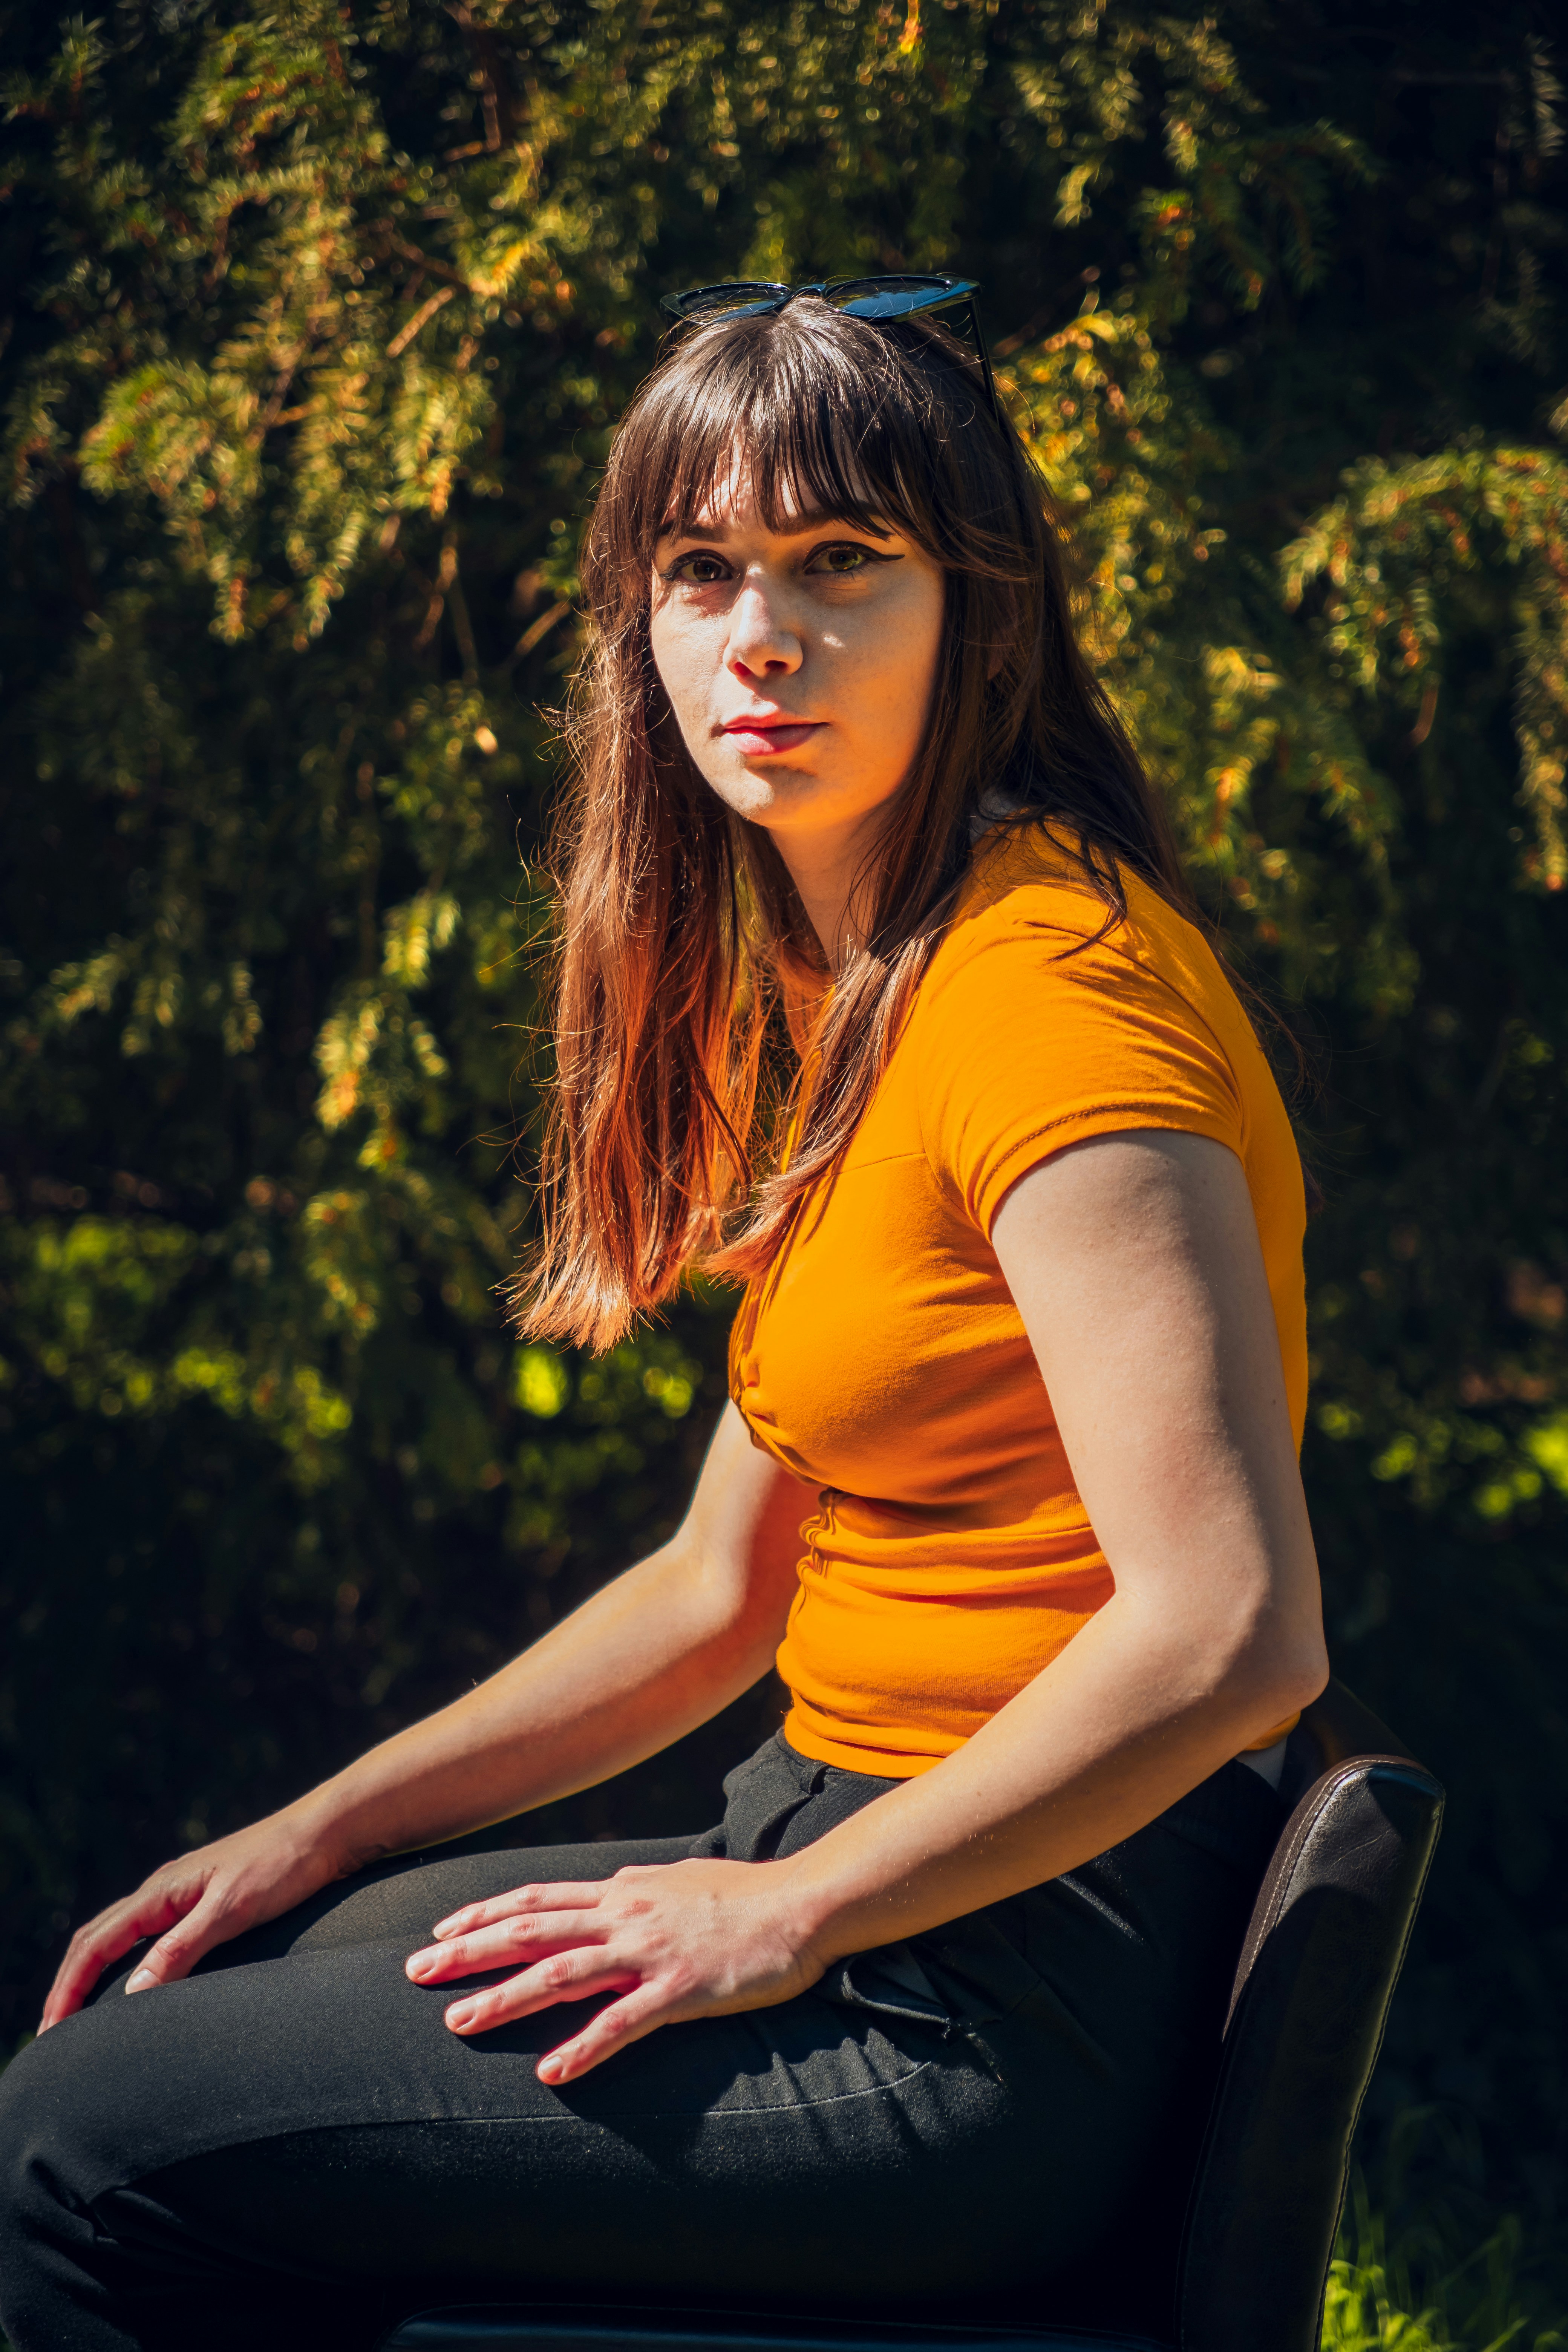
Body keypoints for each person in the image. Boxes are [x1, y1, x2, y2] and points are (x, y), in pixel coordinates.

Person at [0, 287, 1328, 2352]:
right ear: (637, 619)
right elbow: (725, 1583)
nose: (760, 640)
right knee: (264, 1972)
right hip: (837, 1846)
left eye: (840, 568)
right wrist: (318, 1819)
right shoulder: (874, 967)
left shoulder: (1052, 1011)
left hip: (984, 1997)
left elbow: (1233, 1628)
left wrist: (780, 1915)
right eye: (701, 572)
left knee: (85, 2141)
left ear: (980, 610)